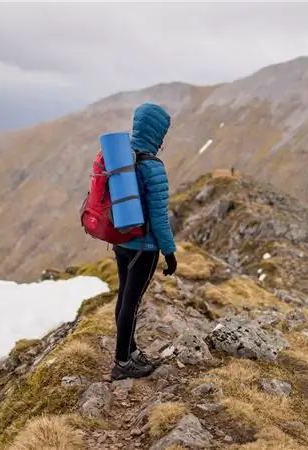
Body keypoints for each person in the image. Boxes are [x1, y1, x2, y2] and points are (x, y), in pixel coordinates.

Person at [110, 102, 178, 380]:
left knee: (124, 297)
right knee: (132, 303)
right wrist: (169, 252)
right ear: (157, 133)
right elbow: (160, 218)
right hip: (144, 247)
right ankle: (123, 363)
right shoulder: (152, 167)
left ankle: (131, 352)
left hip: (121, 241)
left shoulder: (121, 159)